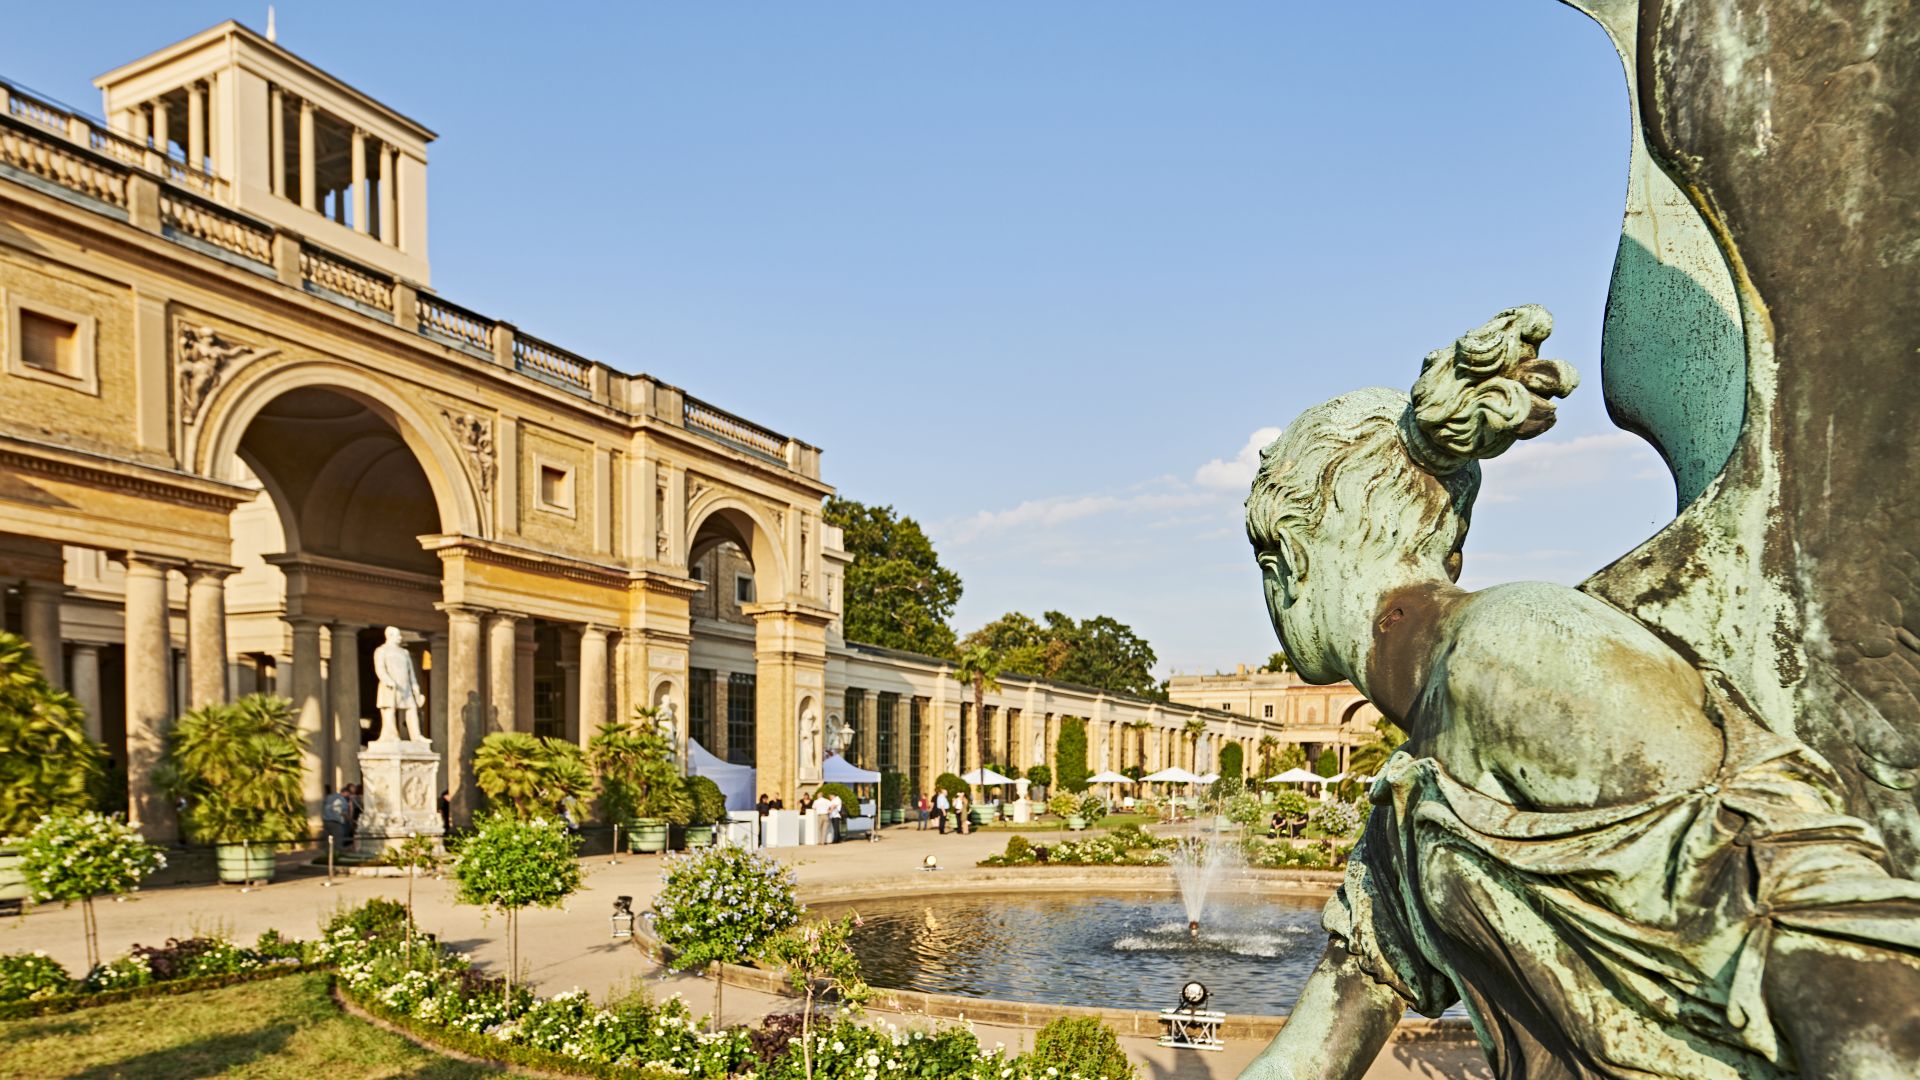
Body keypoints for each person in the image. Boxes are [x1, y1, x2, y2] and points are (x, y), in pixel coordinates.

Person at [1240, 306, 1920, 1077]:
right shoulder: (1407, 808)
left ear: (1289, 559)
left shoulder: (1516, 643)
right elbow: (1307, 1057)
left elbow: (1830, 934)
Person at [322, 783, 349, 851]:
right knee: (338, 840)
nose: (349, 796)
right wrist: (349, 819)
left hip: (326, 821)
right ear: (345, 792)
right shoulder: (343, 800)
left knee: (327, 841)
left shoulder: (329, 796)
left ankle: (328, 854)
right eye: (348, 794)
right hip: (336, 822)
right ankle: (337, 854)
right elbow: (343, 812)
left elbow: (324, 806)